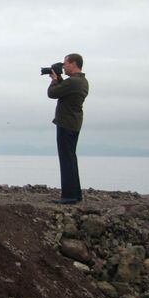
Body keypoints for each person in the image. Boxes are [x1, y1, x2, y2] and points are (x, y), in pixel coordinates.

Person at [47, 53, 89, 204]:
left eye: (65, 63)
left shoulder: (74, 82)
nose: (63, 66)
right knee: (70, 158)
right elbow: (64, 90)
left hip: (66, 123)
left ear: (74, 64)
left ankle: (69, 195)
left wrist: (54, 80)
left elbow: (52, 93)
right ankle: (75, 193)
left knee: (66, 159)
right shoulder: (81, 81)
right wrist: (59, 79)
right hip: (74, 123)